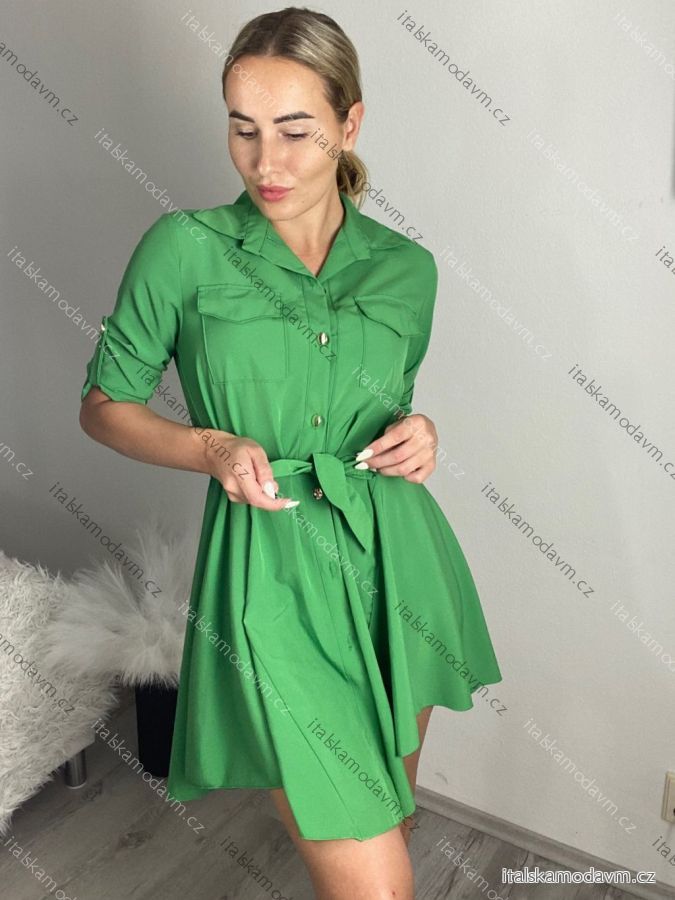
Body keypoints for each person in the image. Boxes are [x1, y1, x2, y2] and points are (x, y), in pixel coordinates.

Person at [78, 7, 502, 899]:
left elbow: (381, 410)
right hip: (269, 572)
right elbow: (105, 408)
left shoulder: (407, 268)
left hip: (399, 568)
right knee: (377, 881)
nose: (265, 161)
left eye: (295, 131)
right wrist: (212, 446)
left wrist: (421, 433)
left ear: (349, 124)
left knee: (391, 820)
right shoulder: (184, 249)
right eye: (243, 129)